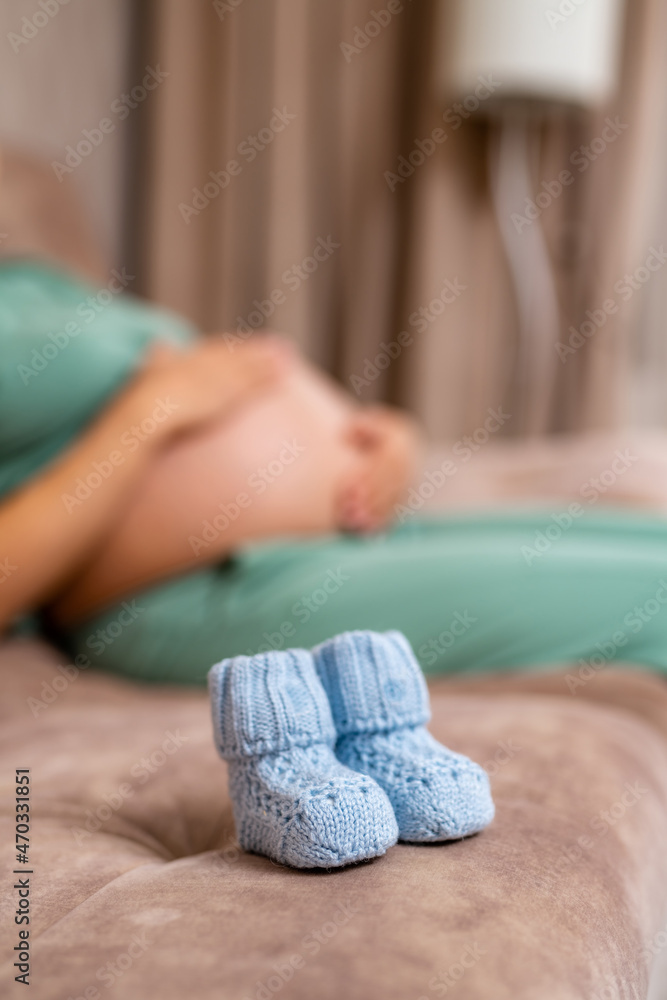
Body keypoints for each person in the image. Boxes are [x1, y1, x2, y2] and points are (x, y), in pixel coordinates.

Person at [3, 253, 667, 685]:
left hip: (356, 524)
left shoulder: (27, 278)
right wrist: (152, 414)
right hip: (203, 588)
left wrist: (380, 441)